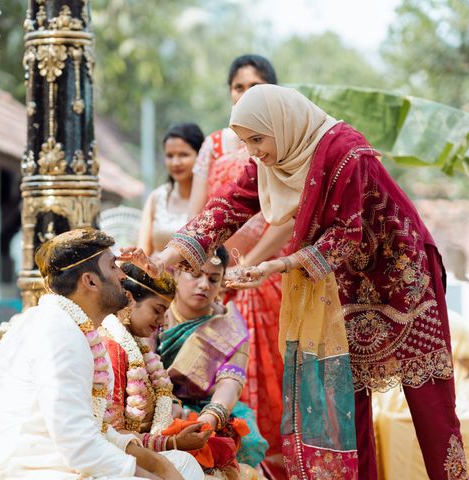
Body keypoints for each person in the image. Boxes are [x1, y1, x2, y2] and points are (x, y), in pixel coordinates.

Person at [121, 85, 469, 480]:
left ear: (283, 125)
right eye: (247, 141)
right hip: (344, 283)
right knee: (347, 402)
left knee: (430, 400)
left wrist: (278, 265)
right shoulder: (272, 155)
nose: (253, 151)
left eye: (257, 139)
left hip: (404, 276)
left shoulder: (345, 151)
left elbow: (346, 234)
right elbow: (229, 204)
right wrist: (165, 258)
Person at [0, 228, 198, 480]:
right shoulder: (58, 333)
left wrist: (157, 461)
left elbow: (95, 429)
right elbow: (80, 445)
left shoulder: (70, 327)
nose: (122, 276)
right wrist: (152, 474)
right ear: (90, 281)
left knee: (182, 464)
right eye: (113, 267)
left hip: (52, 459)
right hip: (20, 471)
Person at [187, 54, 290, 476]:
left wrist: (255, 264)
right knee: (226, 377)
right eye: (238, 87)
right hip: (219, 282)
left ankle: (282, 468)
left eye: (255, 86)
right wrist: (206, 268)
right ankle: (239, 466)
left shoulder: (283, 141)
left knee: (277, 377)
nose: (245, 93)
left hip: (268, 277)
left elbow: (286, 214)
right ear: (229, 92)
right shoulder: (212, 146)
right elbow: (199, 215)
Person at [157, 245, 269, 478]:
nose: (204, 285)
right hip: (157, 403)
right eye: (196, 274)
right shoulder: (156, 311)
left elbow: (231, 381)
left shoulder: (230, 325)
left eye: (213, 278)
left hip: (210, 411)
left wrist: (210, 418)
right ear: (175, 273)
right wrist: (166, 404)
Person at [99, 263, 211, 466]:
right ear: (129, 299)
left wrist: (175, 408)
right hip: (124, 456)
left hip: (145, 446)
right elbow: (112, 434)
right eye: (157, 310)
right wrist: (172, 443)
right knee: (186, 463)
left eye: (165, 313)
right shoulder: (112, 348)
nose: (162, 322)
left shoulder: (135, 344)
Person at [138, 123, 204, 255]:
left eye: (183, 155)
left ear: (201, 155)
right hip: (156, 274)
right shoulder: (157, 197)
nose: (175, 162)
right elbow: (143, 251)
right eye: (170, 156)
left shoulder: (212, 199)